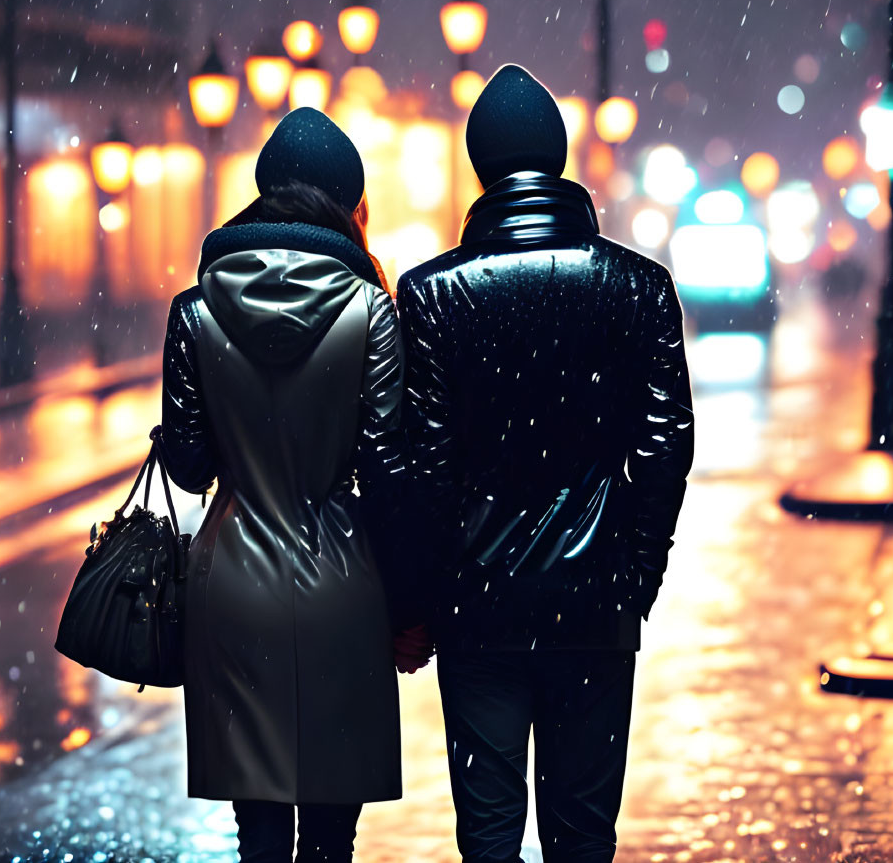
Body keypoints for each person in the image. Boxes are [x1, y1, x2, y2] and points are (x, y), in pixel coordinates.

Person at [397, 64, 694, 863]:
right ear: (558, 159)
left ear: (479, 165)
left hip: (477, 611)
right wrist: (634, 572)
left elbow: (420, 468)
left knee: (488, 838)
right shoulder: (637, 287)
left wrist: (421, 600)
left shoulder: (431, 295)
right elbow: (666, 445)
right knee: (583, 834)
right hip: (594, 608)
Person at [151, 107, 425, 863]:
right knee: (331, 839)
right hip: (345, 586)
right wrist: (411, 606)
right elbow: (387, 469)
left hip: (231, 590)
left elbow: (190, 468)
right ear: (348, 203)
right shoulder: (371, 309)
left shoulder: (195, 312)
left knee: (258, 833)